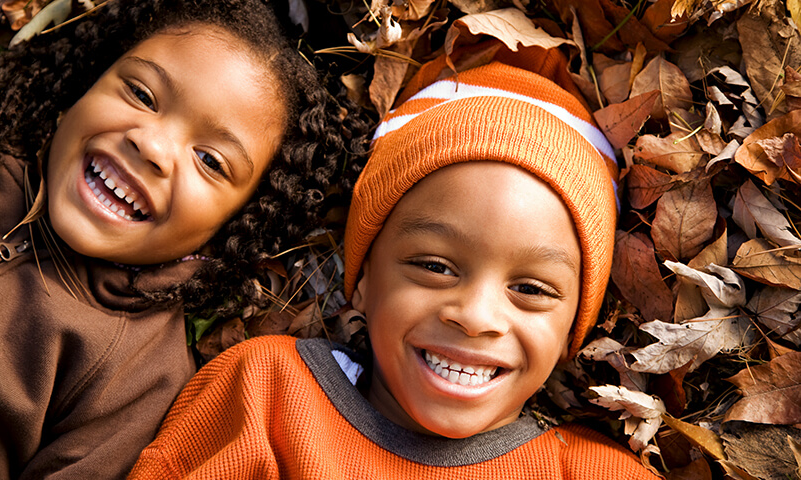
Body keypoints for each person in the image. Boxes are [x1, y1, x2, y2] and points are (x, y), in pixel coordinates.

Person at [127, 40, 659, 479]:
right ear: (361, 281)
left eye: (532, 289)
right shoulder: (269, 397)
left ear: (575, 329)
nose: (474, 317)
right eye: (434, 266)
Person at [0, 0, 369, 477]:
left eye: (211, 161)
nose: (151, 147)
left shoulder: (137, 375)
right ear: (91, 74)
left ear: (235, 225)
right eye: (142, 94)